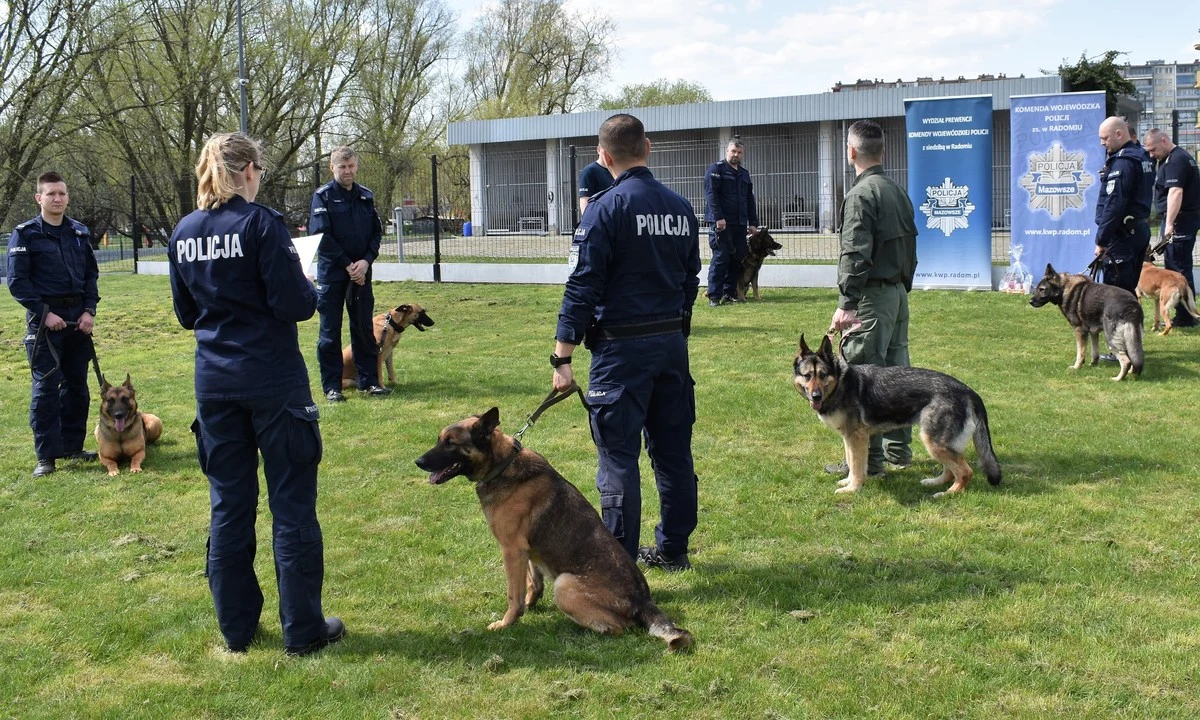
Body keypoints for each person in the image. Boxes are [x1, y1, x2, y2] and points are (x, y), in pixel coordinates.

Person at [169, 132, 344, 656]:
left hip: (215, 386)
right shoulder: (260, 223)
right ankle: (303, 630)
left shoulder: (184, 231)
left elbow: (185, 314)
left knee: (229, 507)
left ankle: (236, 630)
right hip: (272, 382)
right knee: (291, 508)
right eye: (260, 170)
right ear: (247, 170)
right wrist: (308, 283)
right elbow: (295, 304)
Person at [551, 113, 701, 572]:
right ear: (648, 148)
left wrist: (562, 354)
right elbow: (691, 278)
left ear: (604, 156)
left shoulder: (604, 207)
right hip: (671, 346)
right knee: (673, 452)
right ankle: (674, 549)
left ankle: (618, 566)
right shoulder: (680, 207)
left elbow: (582, 285)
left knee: (618, 458)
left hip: (621, 352)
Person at [826, 119, 918, 478]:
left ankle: (870, 463)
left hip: (872, 296)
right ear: (884, 151)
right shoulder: (896, 190)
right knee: (899, 376)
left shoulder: (862, 194)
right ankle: (899, 451)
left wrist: (846, 303)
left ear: (851, 152)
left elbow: (855, 253)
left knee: (862, 378)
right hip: (896, 293)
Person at [6, 171, 100, 477]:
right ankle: (46, 456)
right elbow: (18, 282)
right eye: (51, 194)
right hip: (44, 324)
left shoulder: (79, 233)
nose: (57, 198)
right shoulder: (26, 234)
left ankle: (72, 445)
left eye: (61, 193)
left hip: (77, 321)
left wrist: (89, 311)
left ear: (67, 196)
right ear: (39, 198)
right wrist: (45, 314)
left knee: (77, 388)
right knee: (45, 388)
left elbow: (90, 275)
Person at [309, 146, 389, 402]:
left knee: (364, 328)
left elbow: (376, 233)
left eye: (351, 166)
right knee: (330, 331)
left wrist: (365, 262)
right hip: (333, 274)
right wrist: (348, 265)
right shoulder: (322, 197)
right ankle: (332, 386)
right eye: (342, 167)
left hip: (362, 275)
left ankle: (370, 381)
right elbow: (322, 236)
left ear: (356, 166)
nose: (347, 171)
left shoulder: (366, 196)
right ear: (332, 168)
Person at [1144, 127, 1200, 328]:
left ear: (1164, 141)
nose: (1151, 154)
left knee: (1177, 271)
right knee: (1179, 268)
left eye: (1153, 149)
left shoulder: (1175, 160)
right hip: (1185, 219)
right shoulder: (1182, 157)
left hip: (1178, 221)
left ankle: (1185, 318)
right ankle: (1189, 315)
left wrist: (1169, 224)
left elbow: (1175, 192)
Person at [1095, 116, 1153, 296]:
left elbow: (1114, 204)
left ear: (1118, 134)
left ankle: (1120, 325)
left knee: (1116, 293)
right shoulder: (1141, 156)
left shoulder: (1123, 162)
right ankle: (1133, 324)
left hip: (1122, 235)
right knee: (1127, 290)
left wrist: (1102, 241)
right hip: (1138, 229)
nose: (1102, 143)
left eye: (1105, 138)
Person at [703, 138, 760, 306]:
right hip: (722, 224)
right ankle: (714, 296)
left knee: (737, 258)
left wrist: (752, 222)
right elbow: (711, 195)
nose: (736, 155)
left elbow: (750, 199)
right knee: (721, 258)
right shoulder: (716, 170)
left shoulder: (744, 174)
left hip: (740, 223)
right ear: (727, 151)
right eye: (733, 151)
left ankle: (729, 293)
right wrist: (718, 217)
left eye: (739, 152)